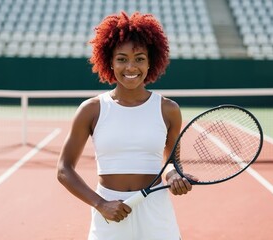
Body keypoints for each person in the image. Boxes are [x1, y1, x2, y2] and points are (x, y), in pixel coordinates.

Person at [57, 11, 194, 240]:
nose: (131, 67)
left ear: (151, 63)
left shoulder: (168, 109)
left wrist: (173, 177)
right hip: (109, 211)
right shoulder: (91, 109)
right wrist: (101, 204)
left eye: (139, 58)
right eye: (122, 59)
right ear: (110, 62)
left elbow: (171, 161)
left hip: (156, 211)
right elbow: (64, 169)